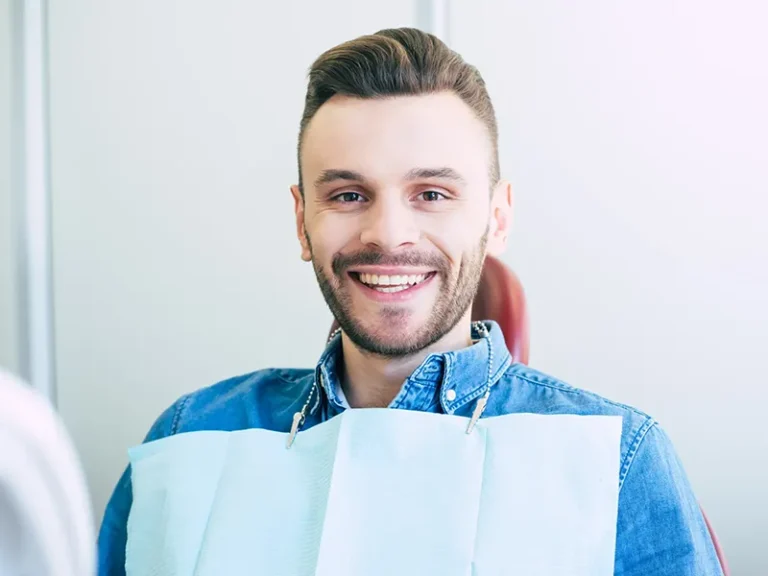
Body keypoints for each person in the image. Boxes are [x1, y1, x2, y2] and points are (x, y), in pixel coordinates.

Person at [98, 27, 723, 575]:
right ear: (301, 221)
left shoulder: (619, 462)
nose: (387, 233)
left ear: (497, 217)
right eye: (347, 194)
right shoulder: (190, 440)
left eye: (431, 193)